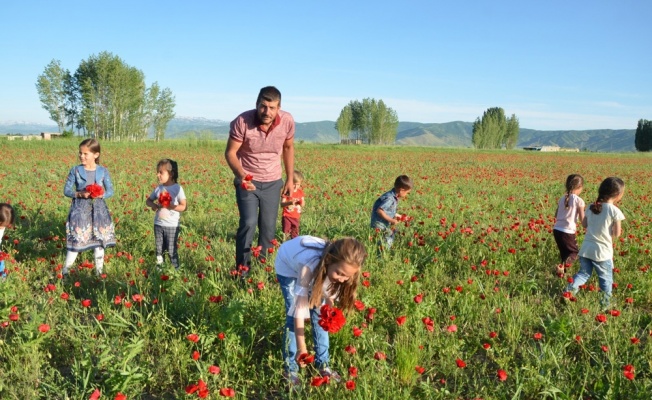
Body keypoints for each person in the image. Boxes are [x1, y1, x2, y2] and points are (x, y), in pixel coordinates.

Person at [275, 236, 367, 388]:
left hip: (318, 268)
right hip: (288, 266)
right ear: (329, 260)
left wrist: (328, 315)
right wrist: (302, 348)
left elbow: (329, 296)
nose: (343, 279)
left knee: (319, 315)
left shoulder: (340, 270)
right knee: (292, 319)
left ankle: (323, 364)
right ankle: (291, 369)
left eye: (347, 276)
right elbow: (299, 313)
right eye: (340, 274)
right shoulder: (308, 267)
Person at [225, 86, 295, 274]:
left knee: (268, 229)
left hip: (273, 182)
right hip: (248, 182)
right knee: (248, 223)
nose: (267, 112)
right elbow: (230, 153)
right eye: (263, 106)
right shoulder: (243, 121)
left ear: (279, 107)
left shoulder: (287, 121)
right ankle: (242, 271)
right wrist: (242, 176)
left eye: (272, 108)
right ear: (256, 104)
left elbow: (288, 148)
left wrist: (289, 179)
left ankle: (262, 271)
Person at [564, 177, 625, 309]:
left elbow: (584, 224)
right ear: (618, 194)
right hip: (602, 253)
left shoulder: (592, 207)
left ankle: (568, 292)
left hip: (586, 249)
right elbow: (616, 234)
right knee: (605, 279)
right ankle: (605, 305)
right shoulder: (614, 211)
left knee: (583, 274)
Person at [62, 139, 116, 276]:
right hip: (79, 210)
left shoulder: (103, 171)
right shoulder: (75, 170)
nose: (81, 156)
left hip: (99, 211)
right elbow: (66, 190)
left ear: (96, 155)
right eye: (80, 153)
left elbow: (110, 191)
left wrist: (100, 194)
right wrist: (79, 194)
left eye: (86, 154)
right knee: (76, 241)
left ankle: (99, 273)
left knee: (99, 241)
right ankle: (65, 272)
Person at [146, 159, 187, 269]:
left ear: (171, 174)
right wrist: (153, 205)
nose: (157, 175)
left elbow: (184, 206)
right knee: (159, 249)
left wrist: (170, 206)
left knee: (171, 249)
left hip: (172, 225)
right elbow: (148, 201)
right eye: (157, 172)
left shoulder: (177, 188)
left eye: (161, 172)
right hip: (158, 224)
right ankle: (159, 269)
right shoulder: (158, 189)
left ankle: (176, 269)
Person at [552, 174, 585, 274]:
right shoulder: (579, 201)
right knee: (573, 253)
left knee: (564, 254)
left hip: (557, 229)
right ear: (580, 187)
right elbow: (583, 220)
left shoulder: (563, 198)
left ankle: (561, 273)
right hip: (567, 231)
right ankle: (560, 270)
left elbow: (556, 215)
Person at [370, 175, 413, 249]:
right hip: (379, 224)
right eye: (407, 192)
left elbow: (389, 211)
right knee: (388, 237)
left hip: (382, 223)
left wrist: (401, 217)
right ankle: (382, 254)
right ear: (402, 190)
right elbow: (380, 211)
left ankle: (382, 250)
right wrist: (392, 220)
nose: (406, 195)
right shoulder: (390, 198)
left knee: (391, 233)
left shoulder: (393, 196)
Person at [280, 170, 305, 240]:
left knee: (295, 232)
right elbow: (282, 204)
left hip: (296, 216)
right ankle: (285, 242)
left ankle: (294, 243)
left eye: (298, 184)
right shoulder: (286, 192)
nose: (296, 186)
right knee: (286, 231)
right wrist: (290, 203)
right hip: (287, 216)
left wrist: (301, 201)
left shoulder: (300, 192)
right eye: (294, 184)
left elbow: (303, 204)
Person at [0, 203, 16, 279]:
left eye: (4, 226)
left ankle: (2, 280)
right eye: (1, 226)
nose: (2, 228)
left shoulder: (2, 226)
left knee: (1, 264)